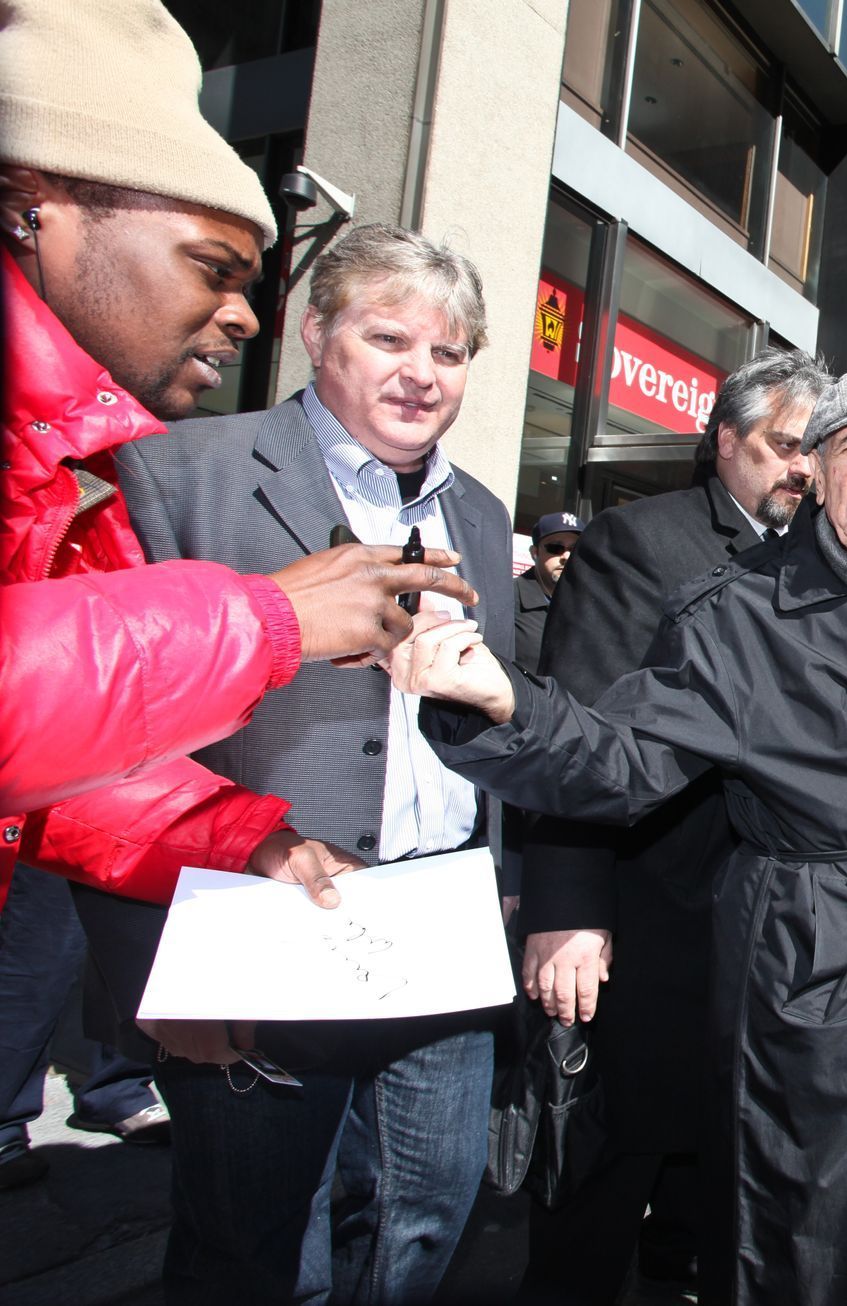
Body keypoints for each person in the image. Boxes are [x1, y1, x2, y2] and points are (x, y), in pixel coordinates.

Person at [398, 366, 847, 1306]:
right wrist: (502, 703)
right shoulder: (738, 611)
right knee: (815, 1229)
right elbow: (622, 758)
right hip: (809, 955)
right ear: (818, 474)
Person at [78, 222, 515, 1304]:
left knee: (429, 1216)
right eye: (389, 338)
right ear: (317, 333)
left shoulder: (480, 512)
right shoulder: (180, 472)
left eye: (449, 353)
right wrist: (154, 970)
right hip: (258, 915)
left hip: (441, 919)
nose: (421, 373)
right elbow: (103, 746)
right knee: (260, 1249)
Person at [0, 0, 477, 912]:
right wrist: (267, 622)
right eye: (211, 266)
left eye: (449, 353)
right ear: (39, 211)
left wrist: (239, 838)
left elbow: (66, 770)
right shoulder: (158, 466)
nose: (240, 315)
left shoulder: (69, 455)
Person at [517, 347, 827, 1302]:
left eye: (817, 450)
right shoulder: (640, 544)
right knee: (611, 1165)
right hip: (651, 915)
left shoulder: (828, 561)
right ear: (726, 441)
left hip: (771, 929)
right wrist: (564, 907)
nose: (803, 469)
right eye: (783, 446)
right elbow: (578, 736)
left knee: (721, 1158)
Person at [0, 865, 168, 1190]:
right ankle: (4, 1123)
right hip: (52, 817)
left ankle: (117, 1090)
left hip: (151, 817)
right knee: (41, 952)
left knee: (139, 938)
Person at [512, 511, 583, 674]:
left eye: (575, 548)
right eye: (555, 547)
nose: (566, 556)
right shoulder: (506, 598)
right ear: (534, 553)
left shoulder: (589, 603)